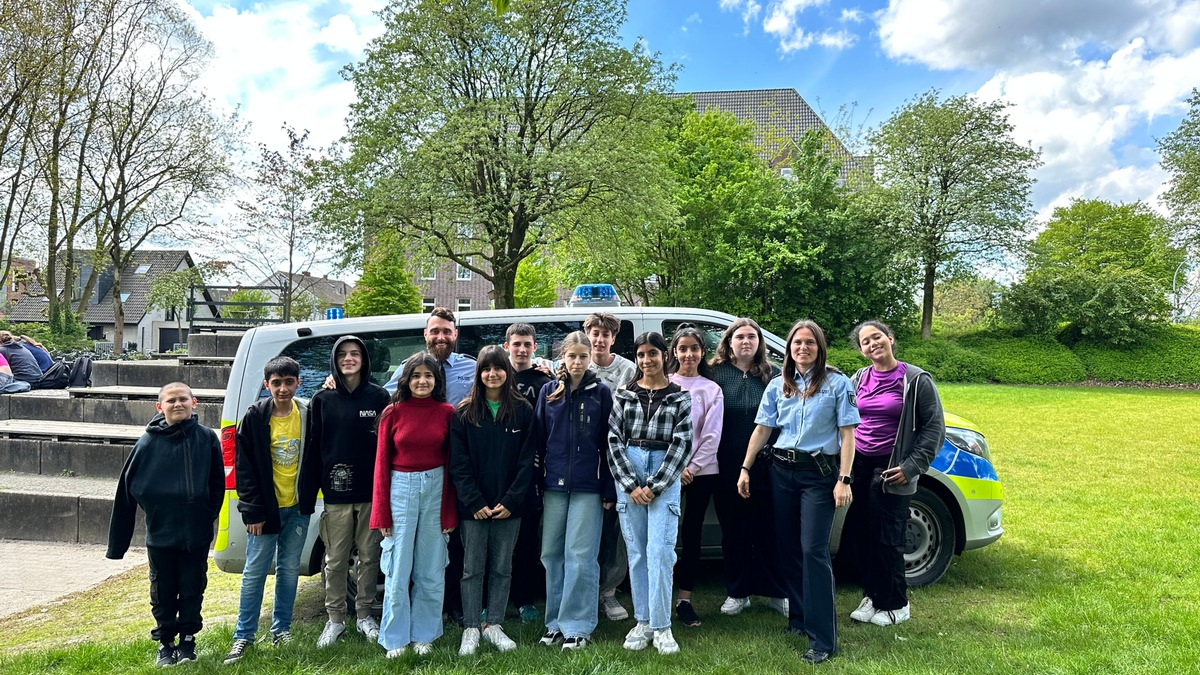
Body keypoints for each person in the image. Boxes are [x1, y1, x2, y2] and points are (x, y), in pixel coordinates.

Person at [737, 320, 858, 666]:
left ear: (819, 348)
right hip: (781, 472)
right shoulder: (779, 385)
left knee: (813, 550)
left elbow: (848, 434)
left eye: (809, 343)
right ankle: (799, 619)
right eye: (797, 343)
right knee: (789, 549)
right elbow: (763, 429)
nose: (802, 348)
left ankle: (823, 639)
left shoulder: (838, 384)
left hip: (819, 476)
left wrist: (844, 479)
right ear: (788, 347)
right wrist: (745, 467)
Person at [106, 382, 222, 667]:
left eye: (184, 399)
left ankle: (188, 642)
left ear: (194, 403)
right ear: (160, 407)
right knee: (163, 590)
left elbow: (217, 484)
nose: (178, 404)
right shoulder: (147, 442)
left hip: (196, 533)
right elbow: (126, 490)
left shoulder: (207, 438)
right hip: (161, 533)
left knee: (193, 586)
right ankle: (166, 644)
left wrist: (207, 514)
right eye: (171, 400)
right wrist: (117, 545)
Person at [846, 320, 945, 627]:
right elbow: (846, 417)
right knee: (863, 535)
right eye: (865, 342)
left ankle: (897, 603)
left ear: (890, 338)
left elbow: (934, 428)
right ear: (861, 351)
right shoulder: (860, 378)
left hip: (893, 470)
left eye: (877, 337)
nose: (873, 344)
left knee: (890, 538)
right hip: (860, 467)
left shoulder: (915, 379)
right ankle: (873, 596)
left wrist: (911, 467)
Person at [298, 336, 391, 648]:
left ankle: (364, 614)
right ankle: (335, 619)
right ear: (335, 361)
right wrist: (308, 494)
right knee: (336, 560)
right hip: (335, 496)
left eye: (355, 354)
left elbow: (389, 448)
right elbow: (312, 449)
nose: (349, 359)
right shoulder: (322, 400)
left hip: (371, 494)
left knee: (369, 556)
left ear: (364, 359)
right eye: (343, 355)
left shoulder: (379, 397)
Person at [607, 332, 693, 655]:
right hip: (630, 469)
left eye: (652, 353)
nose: (646, 360)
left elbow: (682, 444)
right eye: (641, 354)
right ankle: (642, 621)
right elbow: (614, 440)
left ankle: (662, 626)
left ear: (664, 355)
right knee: (638, 553)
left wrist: (655, 485)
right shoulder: (623, 395)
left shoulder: (680, 398)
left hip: (663, 472)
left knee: (660, 552)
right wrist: (631, 484)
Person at [449, 346, 537, 655]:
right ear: (479, 373)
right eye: (486, 368)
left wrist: (512, 500)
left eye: (498, 368)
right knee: (472, 568)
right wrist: (474, 501)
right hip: (473, 508)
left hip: (508, 507)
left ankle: (494, 624)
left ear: (507, 371)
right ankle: (472, 626)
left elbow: (528, 461)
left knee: (502, 567)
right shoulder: (464, 413)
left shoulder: (523, 411)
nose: (492, 374)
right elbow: (458, 465)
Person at [224, 357, 311, 664]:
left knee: (288, 572)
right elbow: (244, 470)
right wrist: (253, 512)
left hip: (298, 508)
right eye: (276, 383)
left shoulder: (308, 414)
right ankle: (243, 635)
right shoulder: (254, 418)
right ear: (266, 385)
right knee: (255, 573)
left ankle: (281, 629)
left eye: (289, 382)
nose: (283, 389)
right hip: (264, 511)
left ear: (298, 383)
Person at [371, 352, 458, 658]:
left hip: (436, 489)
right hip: (400, 490)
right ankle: (395, 636)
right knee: (397, 568)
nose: (423, 381)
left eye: (429, 376)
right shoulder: (392, 413)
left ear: (437, 381)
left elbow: (452, 466)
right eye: (416, 376)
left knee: (432, 568)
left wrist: (449, 510)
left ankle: (425, 633)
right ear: (406, 380)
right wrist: (380, 511)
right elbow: (381, 464)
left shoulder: (447, 413)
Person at [536, 331, 614, 651]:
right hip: (553, 485)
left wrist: (609, 488)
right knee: (552, 554)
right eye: (572, 356)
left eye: (584, 356)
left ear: (590, 357)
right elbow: (539, 439)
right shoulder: (548, 391)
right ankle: (554, 622)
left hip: (588, 486)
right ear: (563, 357)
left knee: (580, 556)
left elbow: (610, 444)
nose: (578, 362)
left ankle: (578, 625)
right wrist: (538, 481)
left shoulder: (601, 393)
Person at [708, 319, 788, 615]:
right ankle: (738, 591)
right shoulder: (715, 374)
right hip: (727, 465)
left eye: (751, 337)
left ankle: (776, 592)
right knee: (734, 531)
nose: (745, 341)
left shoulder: (774, 376)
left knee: (769, 530)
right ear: (729, 342)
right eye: (739, 336)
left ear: (759, 342)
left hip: (768, 466)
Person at [667, 325, 724, 628]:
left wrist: (691, 468)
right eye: (682, 348)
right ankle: (660, 595)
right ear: (674, 352)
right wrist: (676, 469)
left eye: (694, 349)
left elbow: (712, 434)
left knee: (692, 535)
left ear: (702, 352)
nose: (688, 354)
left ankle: (684, 600)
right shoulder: (664, 384)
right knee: (664, 536)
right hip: (668, 473)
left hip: (701, 473)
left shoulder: (711, 389)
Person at [583, 312, 637, 623]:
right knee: (589, 529)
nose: (599, 339)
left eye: (605, 334)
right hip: (587, 460)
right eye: (595, 332)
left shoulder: (628, 369)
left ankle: (608, 591)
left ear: (613, 338)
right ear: (586, 334)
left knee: (618, 531)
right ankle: (586, 591)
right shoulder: (576, 364)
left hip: (620, 457)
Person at [503, 323, 552, 623]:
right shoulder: (493, 375)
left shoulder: (544, 379)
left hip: (532, 470)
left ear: (535, 348)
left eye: (527, 344)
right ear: (506, 346)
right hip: (498, 468)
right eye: (516, 343)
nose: (522, 349)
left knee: (528, 538)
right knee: (497, 539)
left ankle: (525, 598)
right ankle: (494, 598)